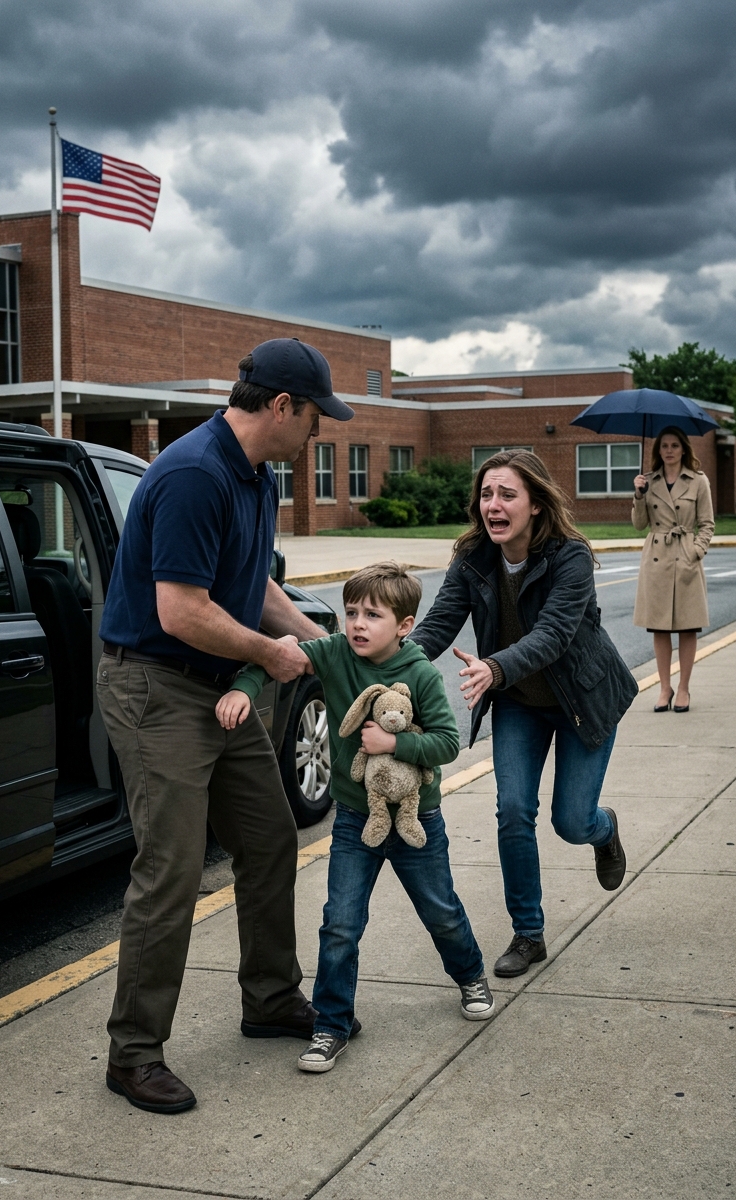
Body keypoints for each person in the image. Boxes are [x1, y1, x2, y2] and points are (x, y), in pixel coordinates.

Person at [96, 338, 354, 1114]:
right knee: (171, 870)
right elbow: (182, 612)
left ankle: (270, 999)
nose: (318, 432)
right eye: (314, 417)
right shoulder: (194, 473)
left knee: (271, 840)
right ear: (281, 406)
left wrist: (320, 643)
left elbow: (253, 584)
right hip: (157, 688)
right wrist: (271, 656)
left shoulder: (255, 475)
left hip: (219, 687)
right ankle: (133, 1054)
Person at [218, 561, 494, 1075]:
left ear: (405, 626)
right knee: (340, 924)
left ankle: (470, 973)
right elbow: (284, 655)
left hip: (417, 823)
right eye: (351, 613)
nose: (358, 624)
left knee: (442, 913)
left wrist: (395, 743)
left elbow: (448, 743)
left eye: (373, 615)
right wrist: (244, 687)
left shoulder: (420, 674)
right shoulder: (336, 653)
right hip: (354, 819)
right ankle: (330, 1025)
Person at [408, 450, 638, 979]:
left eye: (507, 494)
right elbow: (439, 624)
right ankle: (528, 933)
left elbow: (554, 635)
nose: (494, 504)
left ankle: (604, 832)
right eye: (487, 494)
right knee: (513, 810)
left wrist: (492, 666)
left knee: (571, 821)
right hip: (519, 703)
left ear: (535, 503)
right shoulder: (472, 557)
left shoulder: (570, 556)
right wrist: (390, 666)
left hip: (582, 699)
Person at [632, 427, 714, 713]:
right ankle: (665, 687)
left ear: (683, 449)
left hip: (685, 557)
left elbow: (707, 524)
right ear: (658, 451)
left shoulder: (698, 481)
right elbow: (639, 524)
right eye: (664, 446)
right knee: (660, 627)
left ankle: (683, 688)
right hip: (657, 557)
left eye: (674, 446)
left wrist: (696, 550)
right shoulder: (649, 481)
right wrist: (638, 495)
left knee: (688, 627)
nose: (669, 451)